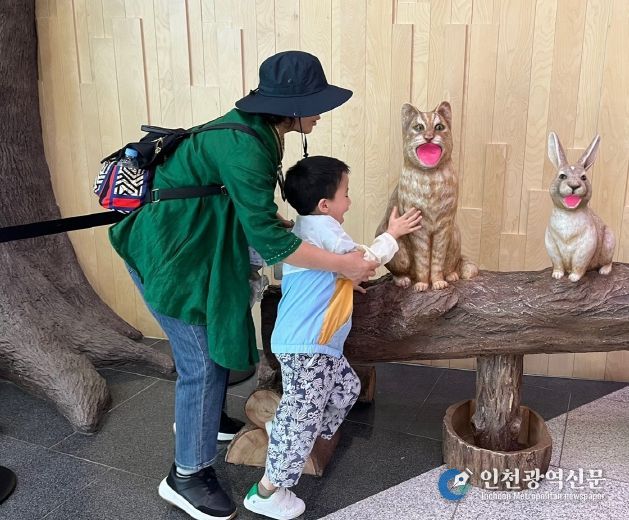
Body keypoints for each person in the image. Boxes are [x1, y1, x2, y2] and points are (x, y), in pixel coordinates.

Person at [108, 51, 379, 520]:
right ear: (293, 107)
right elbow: (272, 242)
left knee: (210, 357)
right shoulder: (248, 146)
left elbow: (253, 215)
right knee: (201, 364)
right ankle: (186, 475)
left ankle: (205, 420)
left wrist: (323, 255)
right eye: (317, 104)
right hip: (168, 255)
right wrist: (343, 265)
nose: (321, 113)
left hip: (193, 245)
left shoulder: (259, 133)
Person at [243, 156, 422, 519]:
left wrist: (342, 281)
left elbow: (325, 273)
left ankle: (290, 428)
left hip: (313, 346)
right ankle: (267, 491)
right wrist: (393, 234)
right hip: (308, 347)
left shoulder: (305, 232)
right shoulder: (323, 228)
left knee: (347, 389)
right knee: (302, 419)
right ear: (325, 205)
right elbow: (364, 260)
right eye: (346, 194)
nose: (349, 202)